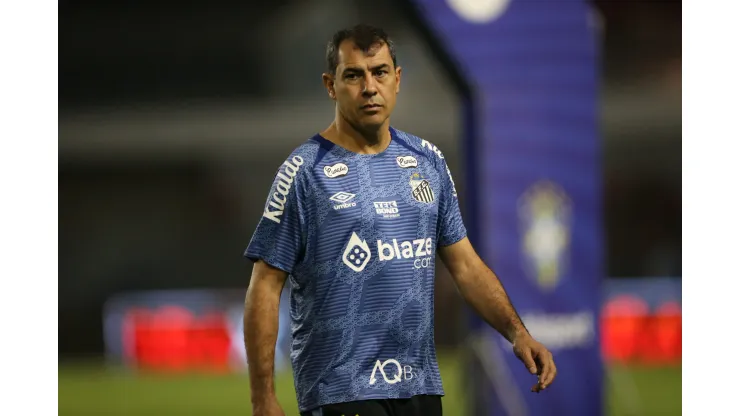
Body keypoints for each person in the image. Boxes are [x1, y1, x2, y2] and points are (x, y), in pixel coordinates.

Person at [243, 24, 557, 416]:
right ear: (330, 84)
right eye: (354, 75)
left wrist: (517, 333)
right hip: (343, 390)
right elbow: (265, 288)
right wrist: (263, 397)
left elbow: (466, 265)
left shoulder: (427, 161)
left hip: (419, 386)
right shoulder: (304, 172)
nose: (369, 87)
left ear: (397, 78)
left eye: (380, 72)